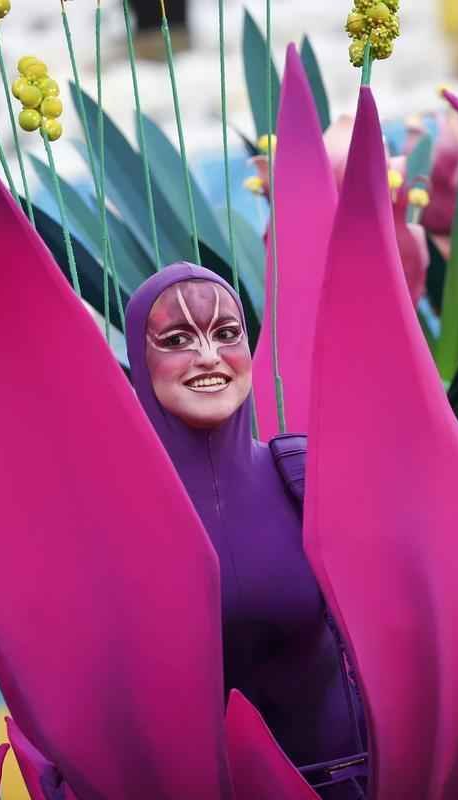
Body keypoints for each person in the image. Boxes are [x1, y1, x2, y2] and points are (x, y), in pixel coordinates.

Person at [124, 263, 367, 798]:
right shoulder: (112, 510)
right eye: (178, 339)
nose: (208, 356)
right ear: (141, 364)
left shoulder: (302, 476)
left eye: (227, 334)